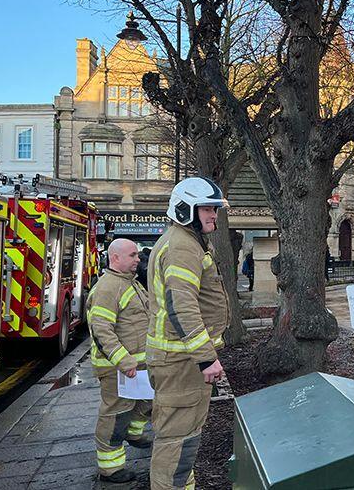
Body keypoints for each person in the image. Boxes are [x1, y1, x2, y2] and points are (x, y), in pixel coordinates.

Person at [146, 177, 230, 490]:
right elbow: (180, 306)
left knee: (183, 443)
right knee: (176, 445)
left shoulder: (183, 241)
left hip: (180, 360)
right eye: (208, 208)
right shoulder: (182, 246)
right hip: (181, 362)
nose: (214, 215)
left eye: (215, 209)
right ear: (186, 209)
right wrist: (207, 358)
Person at [87, 238, 152, 484]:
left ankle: (133, 434)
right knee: (115, 416)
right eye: (133, 255)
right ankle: (111, 469)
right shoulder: (108, 288)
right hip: (118, 369)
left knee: (145, 403)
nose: (138, 259)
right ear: (115, 258)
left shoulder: (130, 283)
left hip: (136, 366)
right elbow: (101, 329)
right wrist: (123, 360)